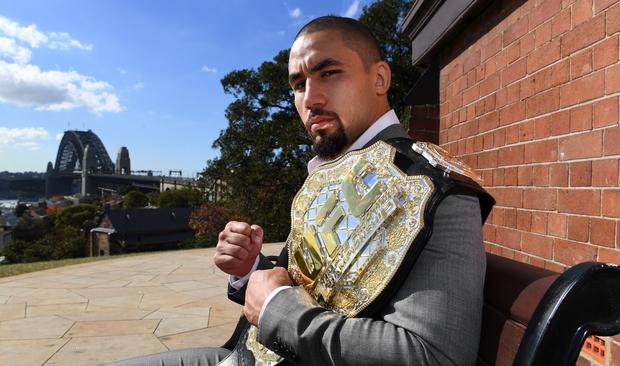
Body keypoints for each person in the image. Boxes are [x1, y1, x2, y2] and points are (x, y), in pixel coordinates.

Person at [110, 15, 491, 366]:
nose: (310, 99)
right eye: (298, 84)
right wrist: (250, 272)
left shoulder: (436, 188)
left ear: (380, 79)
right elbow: (309, 287)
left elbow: (433, 357)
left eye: (330, 73)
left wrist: (277, 310)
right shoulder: (329, 173)